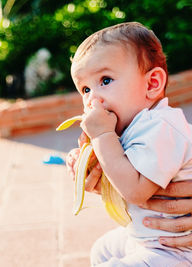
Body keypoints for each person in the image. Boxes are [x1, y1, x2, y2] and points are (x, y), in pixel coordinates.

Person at [66, 21, 192, 266]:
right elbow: (117, 171)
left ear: (152, 83)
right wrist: (88, 164)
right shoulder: (128, 129)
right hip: (148, 236)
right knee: (102, 250)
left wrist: (103, 137)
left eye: (105, 80)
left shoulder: (162, 126)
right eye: (85, 89)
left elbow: (135, 191)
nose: (93, 98)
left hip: (176, 249)